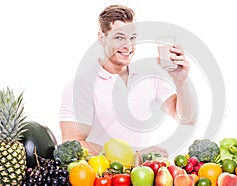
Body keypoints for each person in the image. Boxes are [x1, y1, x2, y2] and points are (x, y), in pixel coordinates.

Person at [59, 4, 198, 157]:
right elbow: (72, 144)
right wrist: (133, 156)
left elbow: (187, 118)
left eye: (132, 38)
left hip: (142, 177)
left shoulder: (149, 75)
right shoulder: (81, 85)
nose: (128, 46)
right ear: (102, 38)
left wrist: (181, 82)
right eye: (119, 37)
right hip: (101, 178)